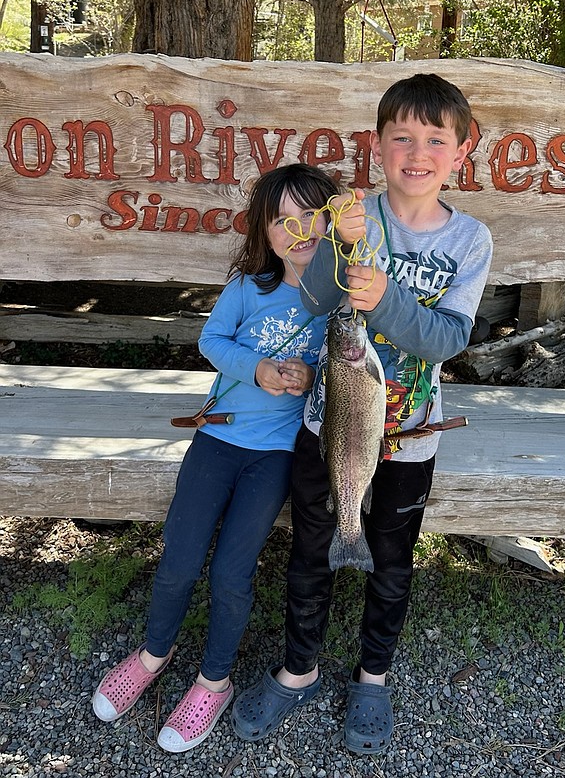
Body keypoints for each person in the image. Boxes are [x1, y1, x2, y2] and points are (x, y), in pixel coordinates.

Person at [232, 73, 493, 754]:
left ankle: (373, 676)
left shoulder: (470, 241)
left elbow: (447, 338)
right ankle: (298, 669)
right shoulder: (355, 213)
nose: (417, 150)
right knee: (311, 550)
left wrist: (386, 303)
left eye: (435, 139)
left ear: (459, 153)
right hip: (330, 423)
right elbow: (317, 300)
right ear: (378, 145)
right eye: (401, 135)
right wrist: (337, 246)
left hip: (410, 435)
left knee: (394, 558)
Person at [92, 163, 339, 753]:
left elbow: (352, 370)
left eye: (311, 216)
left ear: (334, 223)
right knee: (179, 555)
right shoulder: (248, 288)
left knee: (232, 571)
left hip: (276, 453)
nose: (298, 229)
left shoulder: (340, 303)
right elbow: (211, 342)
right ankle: (154, 653)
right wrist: (256, 367)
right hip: (218, 437)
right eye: (283, 220)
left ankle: (214, 680)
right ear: (264, 230)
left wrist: (310, 374)